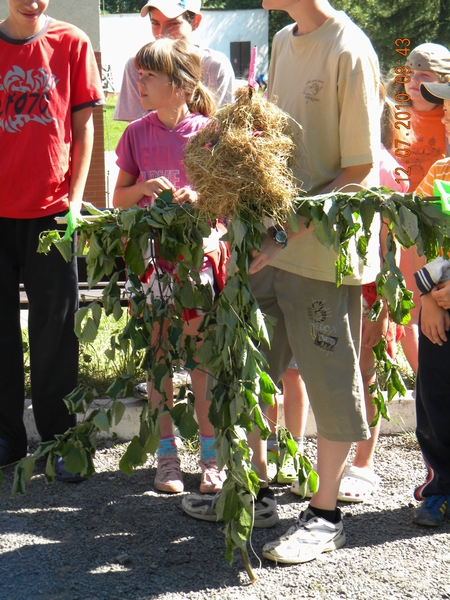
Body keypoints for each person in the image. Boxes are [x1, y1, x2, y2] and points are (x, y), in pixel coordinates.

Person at [182, 0, 381, 556]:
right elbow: (278, 150)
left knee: (330, 380)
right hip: (270, 247)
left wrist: (284, 234)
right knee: (256, 371)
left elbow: (359, 168)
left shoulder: (350, 49)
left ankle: (326, 513)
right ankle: (264, 490)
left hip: (320, 253)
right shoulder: (284, 40)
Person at [113, 37, 226, 495]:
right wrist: (142, 188)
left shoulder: (209, 133)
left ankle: (211, 455)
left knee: (201, 358)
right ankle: (167, 458)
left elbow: (227, 202)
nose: (140, 82)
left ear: (180, 86)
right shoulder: (134, 133)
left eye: (150, 75)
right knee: (159, 355)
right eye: (139, 74)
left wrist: (199, 196)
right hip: (153, 265)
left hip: (197, 262)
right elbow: (117, 200)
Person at [0, 0, 104, 481]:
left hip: (53, 215)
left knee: (56, 333)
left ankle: (61, 439)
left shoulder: (71, 43)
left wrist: (77, 202)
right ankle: (6, 437)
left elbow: (83, 129)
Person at [388, 43, 450, 376]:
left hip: (434, 228)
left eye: (424, 76)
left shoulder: (446, 116)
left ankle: (426, 376)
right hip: (395, 220)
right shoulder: (393, 112)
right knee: (401, 306)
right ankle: (419, 377)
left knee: (424, 298)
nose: (413, 81)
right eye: (409, 73)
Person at [408, 80, 450, 527]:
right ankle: (441, 487)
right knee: (436, 399)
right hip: (440, 306)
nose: (446, 116)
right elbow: (419, 239)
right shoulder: (440, 172)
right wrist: (428, 300)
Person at [113, 0, 234, 122]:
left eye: (173, 24)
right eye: (155, 23)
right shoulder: (137, 66)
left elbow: (220, 128)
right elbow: (137, 133)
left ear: (196, 21)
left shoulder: (214, 66)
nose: (162, 34)